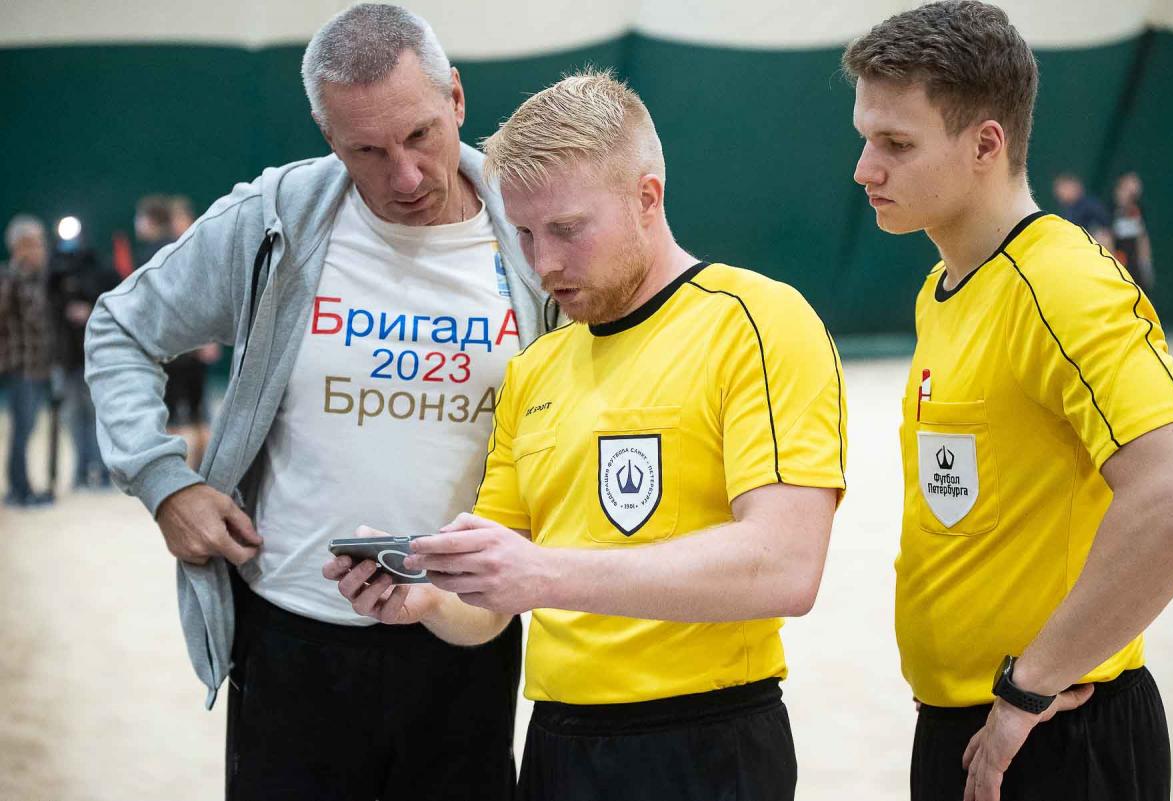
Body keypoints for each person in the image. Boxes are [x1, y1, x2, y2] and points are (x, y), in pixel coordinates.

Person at [328, 70, 848, 800]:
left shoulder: (755, 321)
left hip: (705, 740)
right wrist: (429, 598)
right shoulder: (535, 369)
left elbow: (787, 566)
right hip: (557, 745)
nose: (543, 264)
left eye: (568, 230)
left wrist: (544, 574)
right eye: (525, 233)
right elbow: (490, 606)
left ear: (647, 198)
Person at [85, 5, 550, 799]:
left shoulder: (533, 229)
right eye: (366, 150)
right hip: (290, 643)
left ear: (457, 97)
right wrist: (164, 481)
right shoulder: (274, 219)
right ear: (327, 136)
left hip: (464, 638)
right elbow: (120, 327)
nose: (404, 176)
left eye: (420, 136)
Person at [843, 3, 1173, 800]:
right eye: (865, 138)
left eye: (896, 144)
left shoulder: (1061, 284)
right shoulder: (943, 290)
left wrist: (1029, 686)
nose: (865, 169)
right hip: (969, 724)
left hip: (1054, 733)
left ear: (985, 145)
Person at [134, 194, 218, 471]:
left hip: (171, 346)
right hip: (193, 342)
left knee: (175, 418)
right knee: (196, 415)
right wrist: (208, 338)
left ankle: (179, 475)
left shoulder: (155, 255)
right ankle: (200, 473)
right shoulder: (190, 252)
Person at [47, 220, 117, 489]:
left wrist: (90, 310)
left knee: (98, 414)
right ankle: (81, 469)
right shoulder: (52, 271)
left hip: (96, 355)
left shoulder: (99, 268)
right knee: (72, 415)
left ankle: (101, 470)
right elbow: (45, 308)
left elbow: (114, 300)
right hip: (65, 356)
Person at [1, 215, 55, 507]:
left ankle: (22, 487)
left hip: (38, 367)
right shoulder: (9, 278)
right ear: (19, 247)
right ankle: (19, 490)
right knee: (21, 430)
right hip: (19, 368)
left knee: (29, 428)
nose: (41, 250)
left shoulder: (39, 280)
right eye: (35, 244)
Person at [1111, 171, 1154, 291]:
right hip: (1118, 264)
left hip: (1135, 265)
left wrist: (1145, 263)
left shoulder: (1139, 209)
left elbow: (1142, 238)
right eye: (1130, 184)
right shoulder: (1109, 209)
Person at [1052, 172, 1114, 251]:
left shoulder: (1090, 204)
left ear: (1076, 187)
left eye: (1066, 188)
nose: (1062, 192)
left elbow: (1103, 227)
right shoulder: (1065, 211)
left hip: (1092, 242)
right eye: (1060, 189)